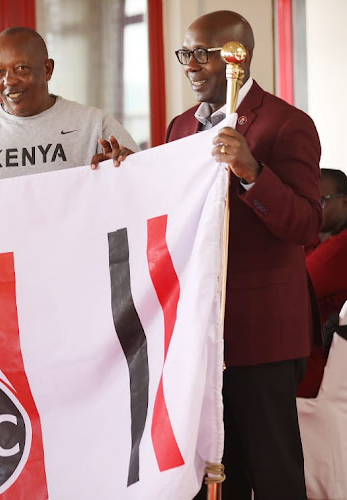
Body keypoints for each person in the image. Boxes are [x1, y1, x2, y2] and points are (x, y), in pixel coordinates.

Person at [165, 11, 321, 499]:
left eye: (202, 54)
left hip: (262, 330)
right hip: (199, 330)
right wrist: (121, 173)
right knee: (215, 469)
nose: (191, 65)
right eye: (186, 53)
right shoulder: (179, 127)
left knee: (271, 468)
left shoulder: (286, 124)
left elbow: (306, 225)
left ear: (238, 56)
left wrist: (252, 171)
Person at [0, 27, 138, 187]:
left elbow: (145, 189)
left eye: (21, 68)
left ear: (48, 69)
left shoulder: (94, 126)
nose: (9, 81)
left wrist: (126, 168)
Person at [298, 168, 347, 396]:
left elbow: (298, 285)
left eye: (322, 201)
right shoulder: (325, 238)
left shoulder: (341, 246)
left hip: (322, 367)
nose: (314, 209)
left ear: (344, 203)